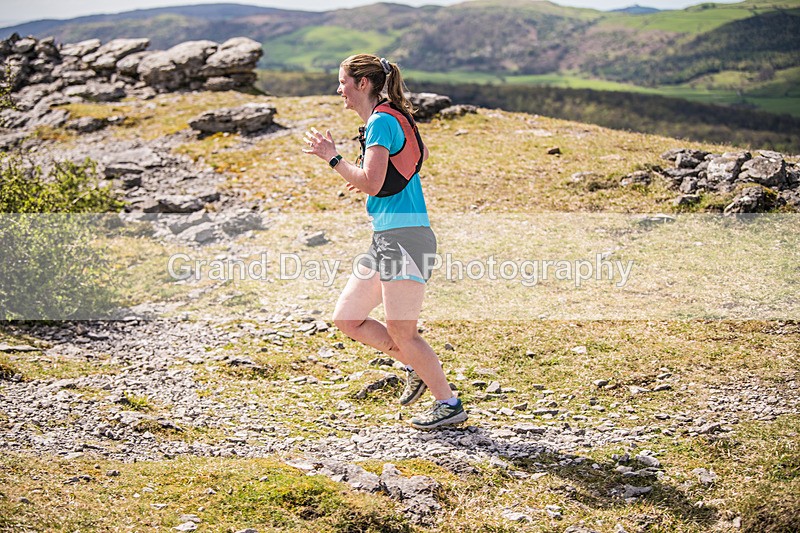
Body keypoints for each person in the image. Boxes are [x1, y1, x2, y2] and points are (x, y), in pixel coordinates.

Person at [302, 54, 467, 430]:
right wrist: (358, 175)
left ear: (363, 83)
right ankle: (415, 366)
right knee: (347, 318)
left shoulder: (380, 122)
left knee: (402, 331)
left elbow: (373, 183)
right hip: (389, 238)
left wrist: (332, 158)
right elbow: (380, 179)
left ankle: (448, 402)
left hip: (405, 238)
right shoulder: (389, 117)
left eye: (342, 81)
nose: (338, 89)